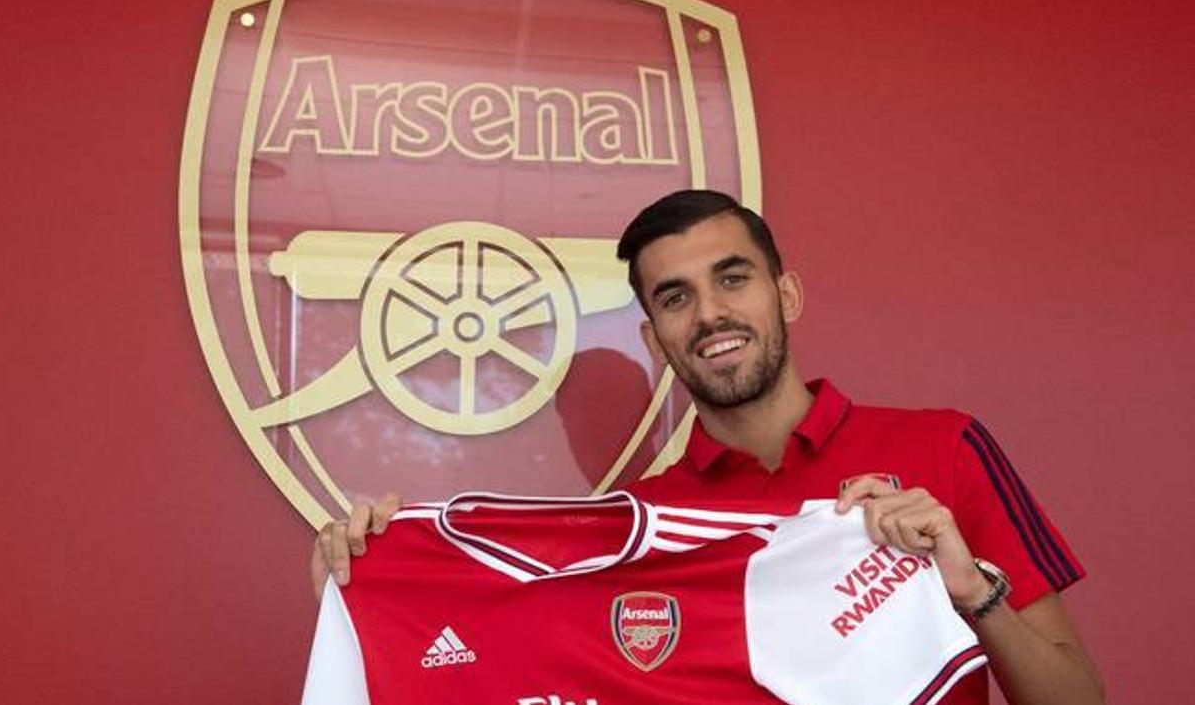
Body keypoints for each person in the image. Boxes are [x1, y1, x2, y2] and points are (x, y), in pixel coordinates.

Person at [311, 190, 1104, 705]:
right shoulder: (640, 529)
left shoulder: (944, 447)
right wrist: (372, 587)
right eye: (677, 298)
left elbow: (1079, 700)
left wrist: (970, 589)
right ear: (656, 340)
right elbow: (491, 665)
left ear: (784, 293)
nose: (711, 315)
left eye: (733, 279)